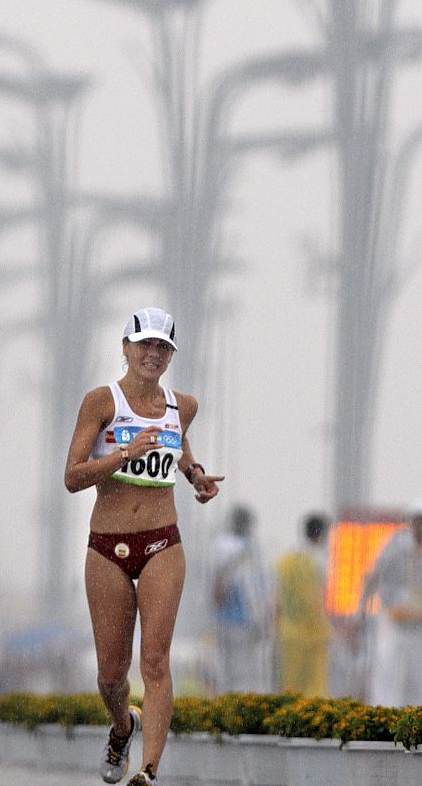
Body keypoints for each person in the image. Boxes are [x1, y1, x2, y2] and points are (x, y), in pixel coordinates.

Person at [64, 307, 224, 786]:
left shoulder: (183, 405)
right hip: (106, 547)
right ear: (126, 348)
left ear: (171, 355)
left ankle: (150, 772)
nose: (153, 354)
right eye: (145, 345)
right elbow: (72, 478)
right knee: (111, 676)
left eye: (163, 347)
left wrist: (195, 476)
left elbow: (178, 449)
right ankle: (122, 726)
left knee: (155, 659)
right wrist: (122, 454)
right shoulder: (101, 402)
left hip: (162, 542)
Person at [356, 502, 422, 706]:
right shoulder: (395, 546)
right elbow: (373, 576)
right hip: (393, 622)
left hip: (418, 625)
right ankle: (387, 718)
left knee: (416, 677)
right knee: (389, 673)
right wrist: (361, 611)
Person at [211, 504, 273, 693]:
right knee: (245, 671)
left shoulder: (221, 545)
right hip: (244, 619)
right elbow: (256, 590)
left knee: (228, 670)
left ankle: (228, 703)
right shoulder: (247, 549)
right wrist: (264, 620)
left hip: (227, 617)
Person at [274, 512, 333, 697]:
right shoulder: (315, 560)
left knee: (290, 687)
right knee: (313, 690)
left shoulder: (286, 559)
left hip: (288, 632)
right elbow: (313, 601)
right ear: (321, 533)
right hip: (311, 635)